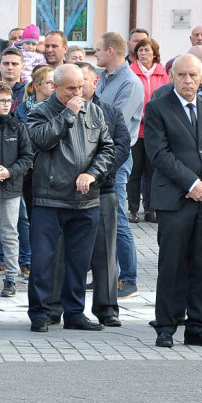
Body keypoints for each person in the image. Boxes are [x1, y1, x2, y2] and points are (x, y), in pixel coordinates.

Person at [145, 54, 202, 348]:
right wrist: (192, 183)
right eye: (182, 75)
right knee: (172, 265)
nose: (188, 81)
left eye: (193, 75)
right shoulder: (158, 108)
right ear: (172, 77)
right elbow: (159, 154)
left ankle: (196, 327)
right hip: (175, 199)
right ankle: (166, 327)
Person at [26, 64, 115, 333]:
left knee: (79, 261)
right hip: (49, 199)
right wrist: (67, 114)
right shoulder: (39, 112)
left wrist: (92, 174)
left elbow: (107, 149)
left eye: (81, 86)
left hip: (86, 199)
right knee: (43, 261)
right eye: (71, 88)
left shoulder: (95, 111)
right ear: (55, 87)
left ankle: (75, 312)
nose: (79, 93)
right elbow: (41, 140)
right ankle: (40, 313)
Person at [78, 62, 131, 328]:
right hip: (69, 192)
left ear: (95, 81)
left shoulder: (110, 112)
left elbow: (122, 147)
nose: (80, 85)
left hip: (104, 188)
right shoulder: (58, 112)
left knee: (106, 253)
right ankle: (58, 307)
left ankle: (107, 307)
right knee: (66, 253)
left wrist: (95, 173)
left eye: (85, 79)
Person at [95, 31, 145, 299]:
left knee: (118, 218)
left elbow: (116, 123)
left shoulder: (130, 83)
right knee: (104, 218)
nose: (95, 55)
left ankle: (129, 278)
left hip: (118, 157)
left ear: (111, 51)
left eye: (98, 50)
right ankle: (108, 275)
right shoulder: (103, 77)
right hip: (100, 154)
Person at [0, 81, 34, 298]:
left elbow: (27, 157)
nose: (6, 105)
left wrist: (9, 172)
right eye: (1, 101)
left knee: (10, 233)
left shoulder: (18, 126)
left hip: (10, 188)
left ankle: (11, 277)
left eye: (8, 101)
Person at [129, 37, 168, 223]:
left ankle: (152, 209)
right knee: (134, 172)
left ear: (154, 53)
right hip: (136, 130)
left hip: (156, 131)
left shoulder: (163, 74)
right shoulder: (131, 72)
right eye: (140, 50)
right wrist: (142, 114)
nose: (143, 54)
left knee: (153, 172)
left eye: (147, 50)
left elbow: (166, 98)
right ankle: (133, 209)